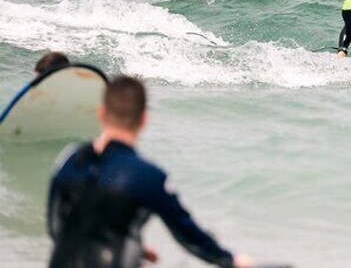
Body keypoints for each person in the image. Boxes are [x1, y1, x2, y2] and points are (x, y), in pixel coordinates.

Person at [47, 74, 254, 268]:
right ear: (144, 119)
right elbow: (188, 235)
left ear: (101, 114)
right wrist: (231, 260)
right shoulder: (148, 176)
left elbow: (57, 225)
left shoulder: (69, 160)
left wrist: (131, 245)